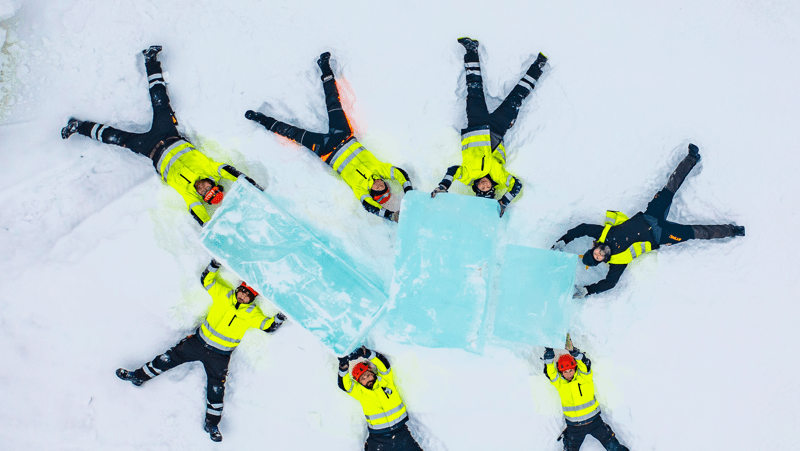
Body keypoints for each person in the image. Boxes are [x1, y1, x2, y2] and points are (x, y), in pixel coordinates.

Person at [61, 46, 262, 227]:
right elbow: (229, 171)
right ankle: (151, 60)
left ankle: (78, 127)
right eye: (208, 188)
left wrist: (212, 233)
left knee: (114, 137)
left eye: (204, 194)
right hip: (168, 134)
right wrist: (247, 182)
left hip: (151, 149)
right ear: (212, 183)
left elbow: (201, 217)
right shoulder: (211, 169)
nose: (203, 189)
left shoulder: (189, 195)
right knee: (160, 101)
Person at [116, 259, 286, 442]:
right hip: (197, 343)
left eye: (248, 295)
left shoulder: (252, 313)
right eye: (242, 291)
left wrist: (282, 316)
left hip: (220, 356)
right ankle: (139, 376)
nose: (243, 296)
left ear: (252, 298)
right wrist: (215, 263)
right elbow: (207, 279)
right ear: (239, 288)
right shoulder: (224, 294)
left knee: (216, 388)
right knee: (167, 358)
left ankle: (212, 424)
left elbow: (268, 326)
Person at [554, 144, 746, 297]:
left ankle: (692, 158)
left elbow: (581, 229)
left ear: (594, 247)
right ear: (603, 260)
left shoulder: (603, 233)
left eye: (595, 252)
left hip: (650, 216)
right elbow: (610, 283)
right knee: (694, 232)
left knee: (669, 189)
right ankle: (732, 230)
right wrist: (588, 290)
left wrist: (563, 241)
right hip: (660, 235)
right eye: (598, 258)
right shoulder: (618, 261)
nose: (598, 254)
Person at [245, 52, 412, 222]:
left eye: (378, 191)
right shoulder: (381, 170)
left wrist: (390, 216)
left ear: (373, 194)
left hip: (326, 151)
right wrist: (409, 192)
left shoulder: (360, 189)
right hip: (344, 136)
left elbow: (369, 207)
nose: (379, 186)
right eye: (383, 187)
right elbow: (401, 174)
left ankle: (260, 118)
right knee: (334, 102)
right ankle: (325, 66)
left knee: (292, 133)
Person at [431, 38, 547, 217]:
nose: (485, 184)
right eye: (488, 188)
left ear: (476, 187)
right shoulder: (499, 177)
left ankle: (471, 50)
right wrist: (504, 202)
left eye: (481, 187)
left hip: (476, 125)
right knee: (517, 97)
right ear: (492, 188)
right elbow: (517, 185)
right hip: (498, 129)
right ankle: (538, 66)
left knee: (474, 89)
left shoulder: (468, 175)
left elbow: (453, 170)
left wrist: (443, 186)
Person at [337, 346, 450, 451]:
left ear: (372, 373)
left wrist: (366, 354)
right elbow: (344, 385)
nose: (366, 379)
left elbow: (384, 365)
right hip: (378, 440)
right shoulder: (359, 392)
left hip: (402, 434)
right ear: (358, 382)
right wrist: (344, 367)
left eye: (368, 374)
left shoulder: (385, 381)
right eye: (362, 378)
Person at [543, 335, 647, 451]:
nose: (568, 373)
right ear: (561, 371)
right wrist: (548, 357)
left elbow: (585, 363)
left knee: (615, 448)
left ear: (574, 368)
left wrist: (573, 352)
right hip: (574, 429)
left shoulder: (584, 376)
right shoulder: (559, 382)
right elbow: (550, 372)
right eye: (565, 371)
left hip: (595, 423)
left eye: (570, 369)